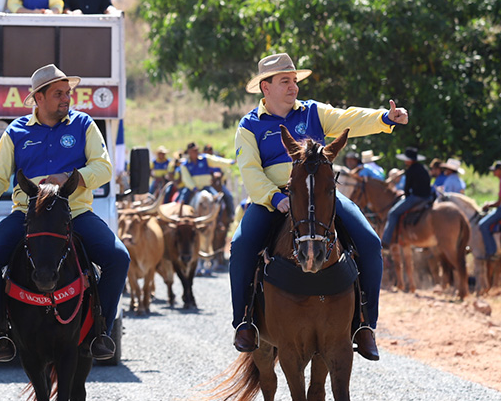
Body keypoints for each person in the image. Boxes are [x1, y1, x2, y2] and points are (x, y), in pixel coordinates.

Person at [230, 53, 411, 362]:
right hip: (273, 200)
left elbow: (348, 117)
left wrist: (384, 118)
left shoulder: (313, 112)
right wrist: (277, 198)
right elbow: (249, 170)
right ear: (265, 87)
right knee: (241, 245)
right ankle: (244, 321)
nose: (293, 87)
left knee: (369, 242)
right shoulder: (250, 125)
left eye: (294, 81)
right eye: (285, 81)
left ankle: (366, 325)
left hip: (320, 196)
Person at [0, 64, 128, 362]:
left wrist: (70, 177)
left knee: (118, 258)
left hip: (76, 213)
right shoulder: (16, 131)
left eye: (68, 93)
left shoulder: (84, 125)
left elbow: (104, 168)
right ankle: (1, 333)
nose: (66, 98)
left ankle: (101, 331)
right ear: (38, 98)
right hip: (28, 215)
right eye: (58, 94)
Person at [381, 147, 431, 249]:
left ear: (409, 160)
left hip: (416, 197)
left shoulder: (410, 170)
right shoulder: (423, 168)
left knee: (392, 213)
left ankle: (386, 241)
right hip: (427, 197)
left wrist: (406, 196)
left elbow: (407, 189)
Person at [177, 141, 234, 207]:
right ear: (189, 152)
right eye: (193, 151)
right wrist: (194, 188)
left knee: (218, 200)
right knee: (182, 202)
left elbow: (217, 161)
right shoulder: (185, 165)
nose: (196, 152)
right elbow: (186, 178)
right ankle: (179, 214)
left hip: (206, 187)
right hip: (192, 189)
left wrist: (230, 162)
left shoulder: (205, 159)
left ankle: (225, 216)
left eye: (196, 150)